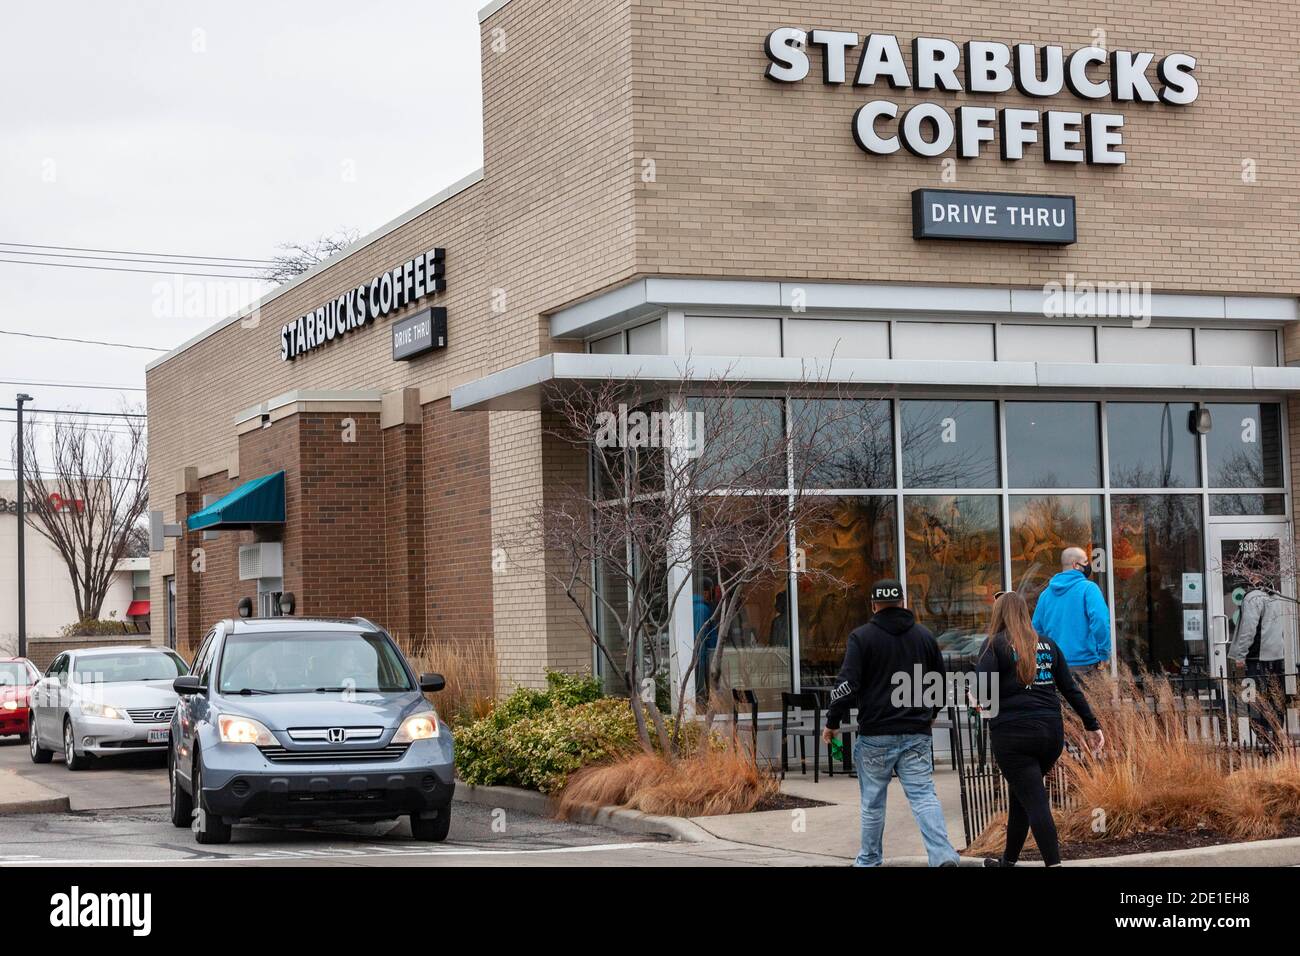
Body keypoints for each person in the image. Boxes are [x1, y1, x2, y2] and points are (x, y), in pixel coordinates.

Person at [821, 579, 961, 867]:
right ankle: (943, 856)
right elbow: (939, 682)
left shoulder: (861, 638)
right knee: (924, 796)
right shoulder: (924, 637)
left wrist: (832, 721)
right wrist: (931, 713)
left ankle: (870, 859)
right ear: (903, 602)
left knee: (872, 803)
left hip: (875, 734)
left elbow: (847, 684)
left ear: (874, 605)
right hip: (915, 732)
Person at [977, 591, 1104, 868]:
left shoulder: (993, 645)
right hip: (1050, 734)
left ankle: (1054, 865)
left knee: (1034, 800)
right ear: (1025, 613)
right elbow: (1070, 689)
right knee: (1022, 796)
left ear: (998, 614)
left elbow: (981, 693)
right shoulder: (1048, 645)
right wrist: (1092, 725)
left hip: (1013, 735)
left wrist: (977, 702)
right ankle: (1007, 862)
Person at [1229, 573, 1288, 751]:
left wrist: (1240, 655)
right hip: (1276, 657)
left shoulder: (1253, 598)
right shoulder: (1276, 595)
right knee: (1276, 702)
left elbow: (1248, 630)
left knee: (1255, 703)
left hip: (1256, 659)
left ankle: (1265, 744)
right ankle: (1276, 741)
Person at [1031, 546, 1111, 677]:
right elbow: (1100, 620)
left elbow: (1035, 631)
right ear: (1076, 565)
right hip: (1086, 666)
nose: (1088, 565)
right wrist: (1104, 653)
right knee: (1089, 699)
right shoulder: (1089, 589)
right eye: (1086, 562)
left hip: (1055, 666)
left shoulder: (1045, 594)